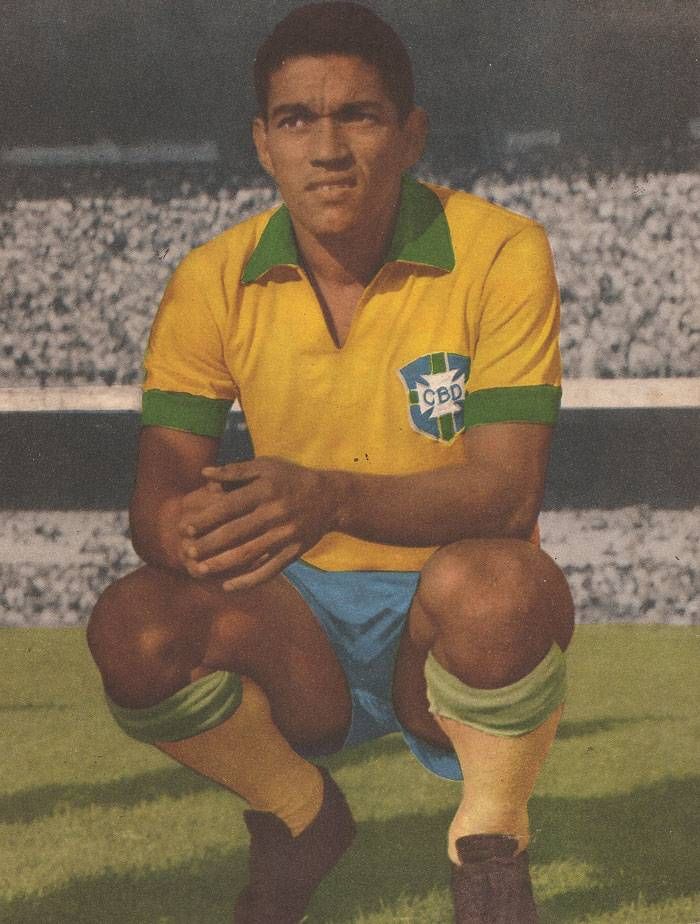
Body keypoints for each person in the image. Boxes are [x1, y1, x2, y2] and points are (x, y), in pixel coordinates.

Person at [87, 3, 575, 921]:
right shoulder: (210, 277)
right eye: (297, 119)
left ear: (411, 134)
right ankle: (300, 815)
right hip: (297, 622)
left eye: (359, 115)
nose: (327, 149)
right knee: (134, 627)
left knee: (504, 588)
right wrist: (187, 529)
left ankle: (489, 839)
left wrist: (331, 497)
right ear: (263, 144)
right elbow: (156, 500)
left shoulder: (501, 250)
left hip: (445, 609)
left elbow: (507, 493)